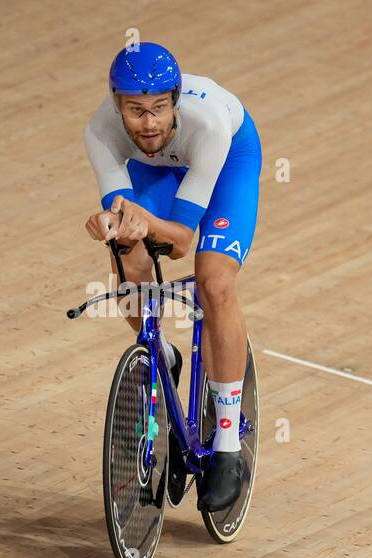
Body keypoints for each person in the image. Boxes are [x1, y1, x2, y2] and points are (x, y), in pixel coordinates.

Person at [83, 42, 261, 511]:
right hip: (157, 169)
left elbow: (180, 241)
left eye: (160, 108)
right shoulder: (100, 131)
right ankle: (160, 353)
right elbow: (123, 218)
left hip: (224, 164)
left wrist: (142, 219)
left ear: (175, 101)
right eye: (136, 111)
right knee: (124, 251)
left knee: (214, 282)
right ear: (117, 105)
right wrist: (110, 223)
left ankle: (225, 446)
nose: (149, 123)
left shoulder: (210, 125)